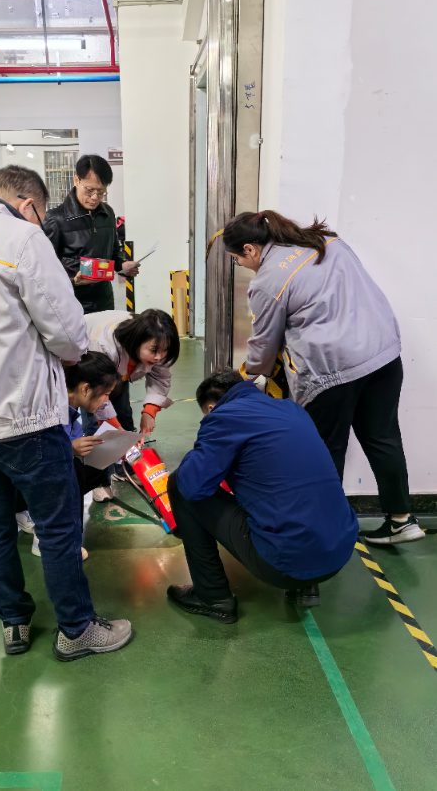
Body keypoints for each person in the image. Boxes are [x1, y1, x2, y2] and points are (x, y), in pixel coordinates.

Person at [0, 164, 132, 661]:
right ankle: (77, 630)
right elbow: (70, 336)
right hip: (23, 417)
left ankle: (14, 622)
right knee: (57, 527)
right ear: (29, 205)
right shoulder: (22, 239)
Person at [223, 210, 423, 547]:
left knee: (325, 451)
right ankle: (402, 521)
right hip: (382, 355)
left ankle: (323, 535)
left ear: (250, 249)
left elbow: (265, 345)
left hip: (333, 370)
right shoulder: (326, 242)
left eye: (237, 259)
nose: (241, 265)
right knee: (383, 437)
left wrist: (247, 375)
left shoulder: (267, 281)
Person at [166, 369, 359, 619]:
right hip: (339, 553)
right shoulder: (292, 409)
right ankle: (306, 587)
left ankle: (212, 596)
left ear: (211, 408)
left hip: (285, 564)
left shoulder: (223, 417)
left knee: (179, 483)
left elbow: (193, 486)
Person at [16, 351, 119, 561]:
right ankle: (49, 537)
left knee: (95, 470)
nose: (106, 401)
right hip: (21, 478)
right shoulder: (48, 408)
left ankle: (26, 511)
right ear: (85, 389)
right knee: (75, 472)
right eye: (106, 394)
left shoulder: (72, 409)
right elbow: (32, 452)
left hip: (35, 477)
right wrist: (69, 448)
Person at [83, 309, 180, 501]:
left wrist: (149, 412)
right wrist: (116, 430)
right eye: (154, 351)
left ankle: (125, 469)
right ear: (137, 342)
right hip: (93, 370)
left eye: (165, 351)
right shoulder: (103, 346)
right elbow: (99, 398)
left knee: (124, 415)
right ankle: (99, 482)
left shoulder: (158, 345)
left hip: (118, 369)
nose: (159, 357)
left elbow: (161, 379)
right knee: (96, 427)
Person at [43, 154, 140, 313]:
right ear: (76, 181)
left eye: (101, 192)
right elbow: (44, 269)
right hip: (71, 305)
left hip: (104, 302)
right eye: (89, 190)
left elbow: (113, 252)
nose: (95, 197)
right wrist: (73, 281)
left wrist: (123, 265)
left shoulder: (107, 214)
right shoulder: (55, 219)